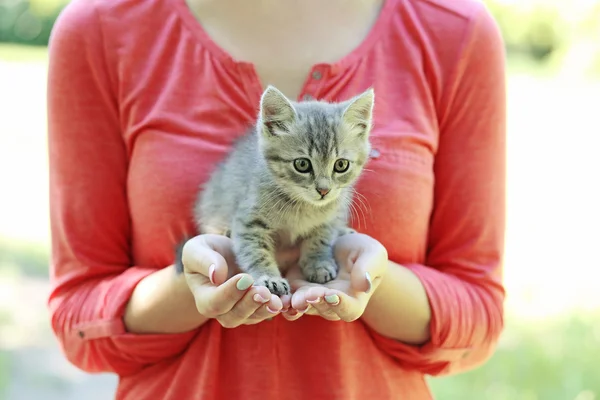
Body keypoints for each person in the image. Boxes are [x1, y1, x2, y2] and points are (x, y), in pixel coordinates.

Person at [46, 0, 507, 398]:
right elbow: (77, 320)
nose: (325, 186)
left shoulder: (454, 31)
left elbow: (479, 319)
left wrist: (371, 281)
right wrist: (198, 281)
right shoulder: (102, 28)